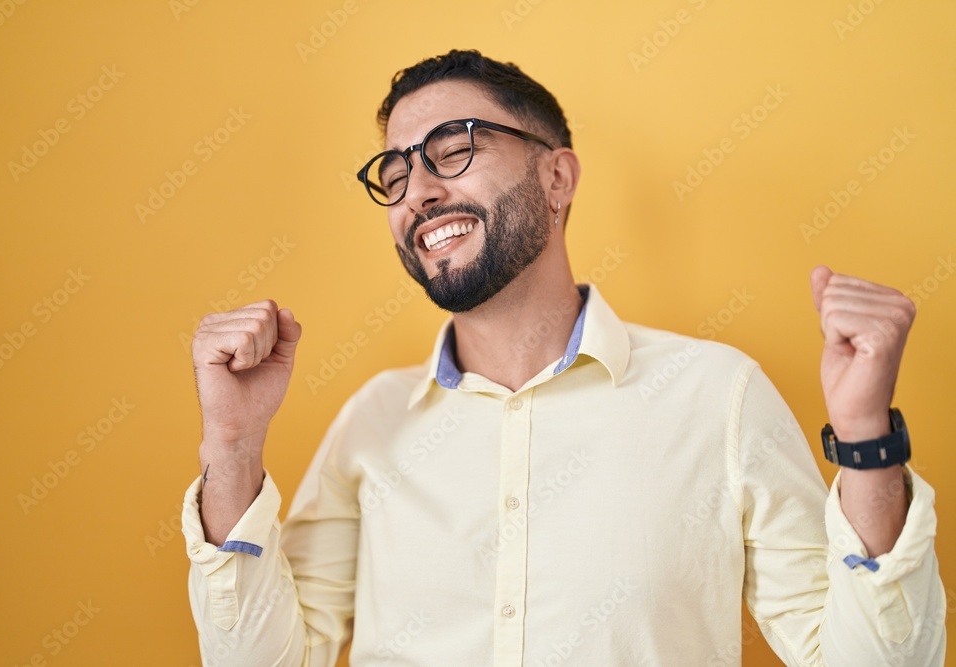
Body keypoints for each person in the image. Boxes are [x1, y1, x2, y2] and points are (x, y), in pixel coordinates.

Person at [181, 49, 945, 666]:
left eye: (454, 150)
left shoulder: (718, 394)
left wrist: (868, 439)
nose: (416, 191)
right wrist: (234, 445)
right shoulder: (371, 423)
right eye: (396, 174)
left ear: (557, 176)